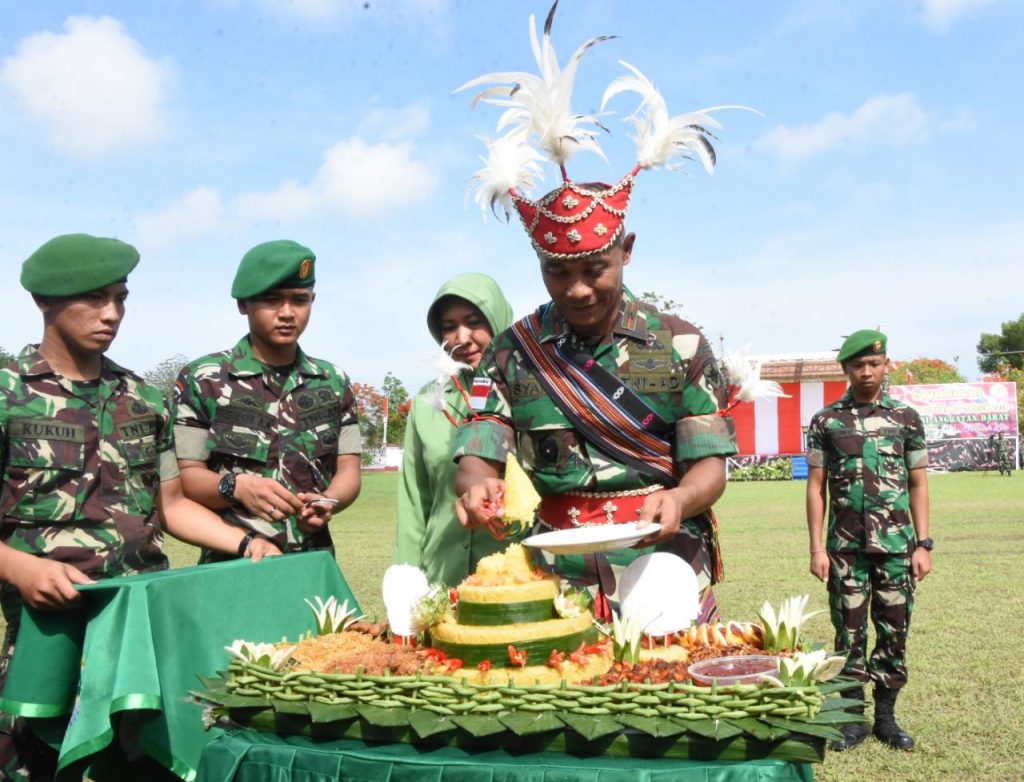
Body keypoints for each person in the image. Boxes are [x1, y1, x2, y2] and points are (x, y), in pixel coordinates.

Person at [451, 6, 739, 623]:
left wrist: (682, 498)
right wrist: (475, 482)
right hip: (553, 571)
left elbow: (709, 465)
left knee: (666, 707)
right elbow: (481, 441)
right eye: (558, 272)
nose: (577, 289)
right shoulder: (511, 351)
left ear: (626, 252)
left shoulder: (680, 345)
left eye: (594, 271)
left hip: (664, 555)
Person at [0, 233, 279, 778]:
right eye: (94, 298)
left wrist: (248, 543)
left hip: (139, 636)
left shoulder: (143, 398)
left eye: (121, 297)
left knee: (140, 764)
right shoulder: (9, 396)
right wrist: (21, 566)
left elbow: (172, 506)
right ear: (43, 301)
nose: (112, 314)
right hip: (48, 632)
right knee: (36, 764)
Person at [172, 240, 361, 561]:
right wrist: (236, 487)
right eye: (272, 300)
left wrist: (328, 501)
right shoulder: (204, 379)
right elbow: (186, 478)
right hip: (232, 560)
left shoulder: (333, 381)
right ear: (243, 305)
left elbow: (349, 471)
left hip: (312, 561)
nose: (287, 313)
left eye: (299, 300)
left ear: (312, 300)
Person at [805, 329, 933, 752]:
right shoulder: (826, 421)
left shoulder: (905, 419)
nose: (866, 372)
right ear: (845, 369)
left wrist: (923, 543)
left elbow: (918, 482)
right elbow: (815, 487)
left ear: (885, 365)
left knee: (894, 631)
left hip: (897, 548)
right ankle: (853, 719)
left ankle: (886, 718)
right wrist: (817, 549)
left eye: (873, 363)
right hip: (844, 550)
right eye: (858, 365)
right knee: (849, 635)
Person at [395, 273, 513, 586]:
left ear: (497, 318)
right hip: (441, 579)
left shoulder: (532, 393)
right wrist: (406, 584)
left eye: (474, 321)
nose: (461, 337)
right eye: (449, 327)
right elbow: (414, 502)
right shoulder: (426, 403)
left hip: (513, 578)